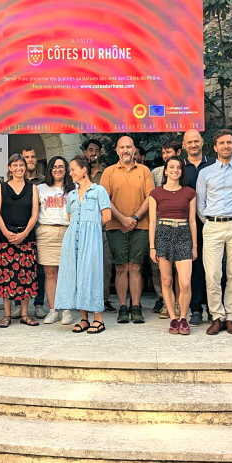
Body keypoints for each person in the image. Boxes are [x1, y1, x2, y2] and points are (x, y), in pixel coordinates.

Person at [196, 129, 232, 336]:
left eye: (229, 142)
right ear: (215, 147)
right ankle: (216, 316)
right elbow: (200, 204)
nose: (226, 146)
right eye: (221, 143)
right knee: (212, 274)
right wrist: (211, 222)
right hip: (212, 225)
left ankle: (230, 317)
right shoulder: (205, 173)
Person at [100, 136, 155, 324]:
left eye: (129, 147)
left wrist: (134, 218)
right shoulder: (109, 172)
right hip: (116, 227)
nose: (125, 150)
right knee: (121, 267)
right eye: (122, 147)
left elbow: (150, 197)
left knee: (136, 267)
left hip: (141, 226)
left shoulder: (144, 171)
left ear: (134, 150)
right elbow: (105, 199)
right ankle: (123, 307)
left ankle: (136, 307)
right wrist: (123, 219)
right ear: (117, 150)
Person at [55, 154, 112, 334]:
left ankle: (98, 319)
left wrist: (91, 229)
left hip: (92, 238)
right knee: (76, 275)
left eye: (73, 169)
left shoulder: (99, 190)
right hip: (72, 239)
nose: (70, 173)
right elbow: (70, 217)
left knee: (92, 274)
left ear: (84, 170)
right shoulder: (71, 194)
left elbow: (107, 216)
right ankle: (84, 319)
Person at [149, 157, 197, 335]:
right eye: (171, 167)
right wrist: (152, 247)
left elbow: (192, 221)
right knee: (166, 280)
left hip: (183, 234)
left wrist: (194, 246)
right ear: (165, 170)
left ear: (182, 171)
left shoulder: (189, 193)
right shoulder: (155, 193)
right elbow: (152, 222)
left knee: (185, 283)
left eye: (178, 167)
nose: (175, 170)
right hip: (163, 234)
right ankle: (172, 319)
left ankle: (183, 317)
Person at [0, 154, 40, 328]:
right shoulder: (2, 187)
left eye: (21, 165)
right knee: (6, 276)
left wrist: (24, 233)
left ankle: (25, 314)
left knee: (26, 276)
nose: (19, 168)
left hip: (26, 237)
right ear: (10, 168)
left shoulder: (32, 188)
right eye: (15, 165)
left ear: (25, 167)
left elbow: (34, 214)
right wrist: (6, 232)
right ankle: (6, 315)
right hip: (6, 238)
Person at [182, 129, 215, 326]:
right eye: (189, 142)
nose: (193, 145)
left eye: (196, 141)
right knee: (193, 269)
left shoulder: (214, 164)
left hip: (213, 225)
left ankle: (213, 309)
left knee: (214, 268)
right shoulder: (179, 167)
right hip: (188, 226)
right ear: (184, 145)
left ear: (202, 142)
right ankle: (195, 310)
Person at [37, 156, 74, 326]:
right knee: (50, 273)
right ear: (50, 170)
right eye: (54, 167)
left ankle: (66, 310)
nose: (58, 170)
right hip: (46, 231)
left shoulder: (74, 188)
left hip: (68, 231)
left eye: (61, 166)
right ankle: (53, 311)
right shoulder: (40, 189)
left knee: (66, 273)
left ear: (66, 169)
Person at [150, 137, 183, 318]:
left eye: (168, 152)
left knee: (179, 270)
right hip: (160, 227)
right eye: (163, 152)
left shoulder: (182, 172)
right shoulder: (155, 173)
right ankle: (164, 301)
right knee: (161, 270)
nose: (165, 156)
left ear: (178, 153)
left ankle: (178, 303)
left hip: (180, 228)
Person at [83, 138, 115, 313]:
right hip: (83, 225)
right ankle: (85, 300)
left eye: (96, 150)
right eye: (90, 150)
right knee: (85, 265)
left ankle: (103, 299)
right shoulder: (80, 173)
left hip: (102, 226)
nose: (93, 153)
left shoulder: (106, 173)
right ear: (85, 152)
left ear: (100, 153)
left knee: (105, 264)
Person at [21, 146, 47, 319]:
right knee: (19, 268)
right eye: (26, 157)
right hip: (21, 230)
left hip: (40, 229)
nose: (30, 160)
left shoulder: (45, 181)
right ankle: (18, 305)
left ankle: (39, 304)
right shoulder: (15, 180)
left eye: (33, 157)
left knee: (40, 270)